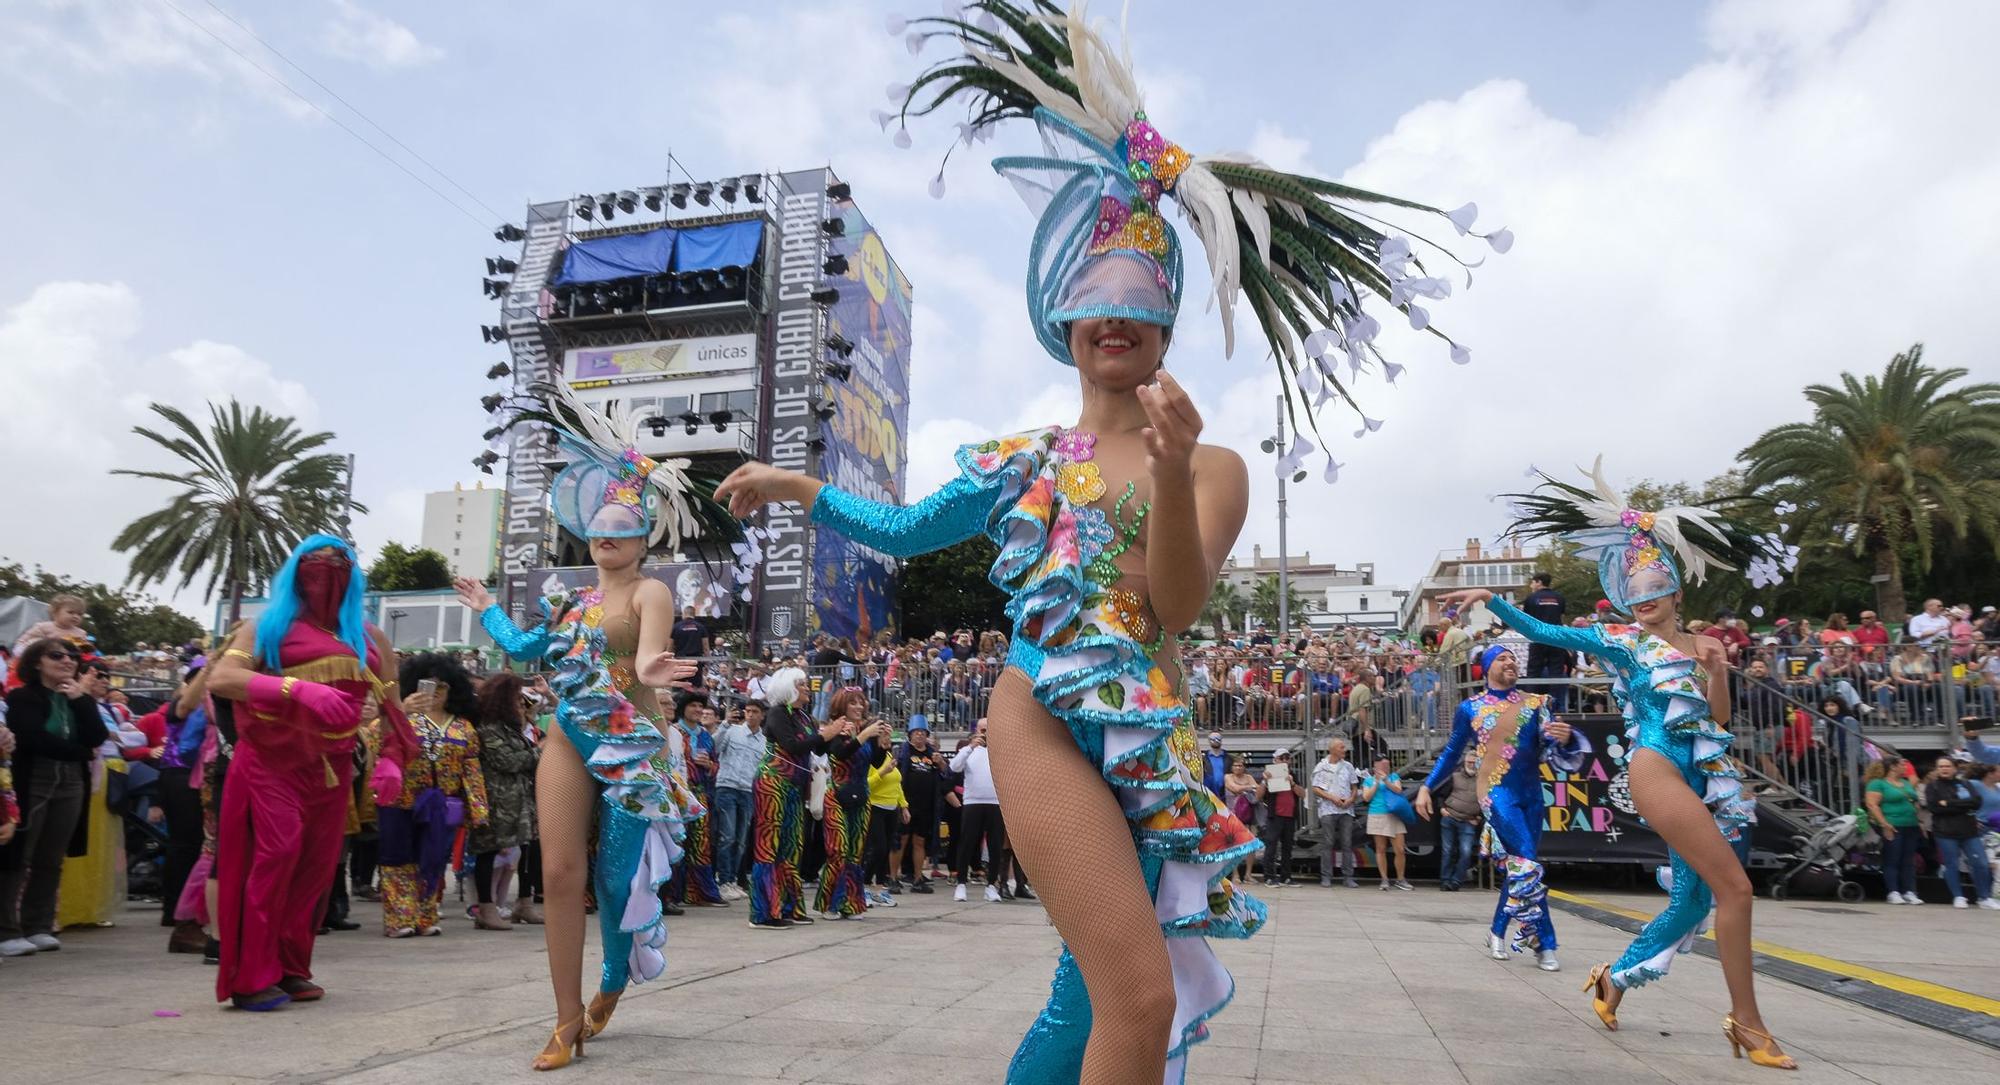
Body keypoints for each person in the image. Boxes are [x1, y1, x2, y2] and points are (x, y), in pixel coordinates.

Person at [1443, 458, 1798, 1068]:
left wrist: (1715, 670)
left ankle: (1614, 979)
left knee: (1692, 902)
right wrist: (1494, 601)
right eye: (1634, 596)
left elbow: (1717, 723)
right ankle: (1749, 1024)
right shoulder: (1623, 640)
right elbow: (1548, 634)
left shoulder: (1702, 644)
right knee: (1736, 890)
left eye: (1655, 593)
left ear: (1675, 593)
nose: (1644, 605)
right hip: (1656, 766)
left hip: (1705, 776)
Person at [468, 385, 730, 1069]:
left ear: (644, 536)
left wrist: (653, 666)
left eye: (622, 529)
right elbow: (527, 653)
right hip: (567, 734)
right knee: (558, 870)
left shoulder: (651, 591)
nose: (607, 538)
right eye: (599, 529)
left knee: (614, 883)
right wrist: (486, 610)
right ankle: (564, 1019)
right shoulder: (571, 600)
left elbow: (646, 652)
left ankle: (614, 973)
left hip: (633, 747)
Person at [204, 536, 421, 1011]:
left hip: (332, 767)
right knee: (274, 856)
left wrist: (391, 757)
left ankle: (290, 968)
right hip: (269, 762)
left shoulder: (369, 637)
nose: (327, 569)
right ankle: (251, 976)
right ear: (295, 570)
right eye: (314, 561)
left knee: (315, 870)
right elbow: (223, 680)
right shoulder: (265, 628)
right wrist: (296, 690)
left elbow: (391, 705)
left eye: (339, 560)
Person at [1415, 645, 1591, 970]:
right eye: (1502, 658)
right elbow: (1452, 752)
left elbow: (1551, 747)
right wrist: (1427, 786)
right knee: (1527, 861)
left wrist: (1566, 738)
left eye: (1513, 658)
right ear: (1485, 668)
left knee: (1522, 865)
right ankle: (1544, 943)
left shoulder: (1536, 704)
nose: (1510, 662)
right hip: (1496, 792)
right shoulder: (1471, 708)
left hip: (1532, 794)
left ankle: (1497, 930)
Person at [0, 638, 109, 957]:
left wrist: (81, 701)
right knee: (18, 855)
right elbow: (33, 738)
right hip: (34, 777)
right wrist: (80, 751)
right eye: (57, 655)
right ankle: (6, 930)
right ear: (37, 662)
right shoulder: (23, 696)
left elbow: (97, 737)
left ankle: (38, 925)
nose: (68, 661)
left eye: (73, 656)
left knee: (51, 856)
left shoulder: (78, 697)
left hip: (72, 780)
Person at [378, 654, 488, 938]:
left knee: (434, 860)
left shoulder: (464, 727)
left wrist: (477, 808)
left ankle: (425, 916)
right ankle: (400, 919)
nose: (435, 694)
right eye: (429, 686)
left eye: (443, 688)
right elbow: (376, 741)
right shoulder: (400, 718)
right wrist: (401, 711)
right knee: (397, 859)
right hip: (399, 802)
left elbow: (471, 769)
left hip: (443, 807)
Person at [747, 667, 839, 930]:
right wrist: (825, 734)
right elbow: (793, 746)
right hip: (773, 781)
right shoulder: (777, 712)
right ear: (789, 688)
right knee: (769, 845)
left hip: (795, 785)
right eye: (802, 684)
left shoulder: (805, 716)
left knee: (791, 846)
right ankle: (762, 913)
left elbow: (819, 747)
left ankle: (789, 906)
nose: (807, 688)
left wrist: (839, 733)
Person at [469, 672, 539, 931]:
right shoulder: (488, 729)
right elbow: (508, 761)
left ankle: (525, 902)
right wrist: (540, 751)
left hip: (519, 801)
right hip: (497, 801)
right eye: (516, 698)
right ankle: (485, 908)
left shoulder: (511, 728)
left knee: (529, 847)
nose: (521, 704)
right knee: (487, 851)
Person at [817, 690, 889, 919]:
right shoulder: (838, 727)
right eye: (853, 703)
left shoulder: (864, 730)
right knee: (838, 850)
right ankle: (830, 904)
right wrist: (865, 734)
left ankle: (850, 903)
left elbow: (875, 762)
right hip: (837, 796)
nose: (859, 706)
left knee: (855, 853)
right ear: (842, 706)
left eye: (861, 702)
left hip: (861, 797)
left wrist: (883, 744)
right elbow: (840, 753)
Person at [710, 699, 766, 900]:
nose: (750, 715)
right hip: (727, 786)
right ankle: (724, 880)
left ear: (762, 715)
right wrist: (725, 724)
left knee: (741, 840)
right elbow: (713, 748)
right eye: (748, 711)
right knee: (727, 836)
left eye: (755, 711)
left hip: (747, 790)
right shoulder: (732, 731)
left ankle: (733, 879)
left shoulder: (764, 741)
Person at [1924, 756, 1997, 909]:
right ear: (1937, 769)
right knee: (1952, 864)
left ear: (1954, 768)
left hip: (1969, 830)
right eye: (1941, 766)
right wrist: (1962, 805)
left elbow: (1976, 803)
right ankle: (1958, 896)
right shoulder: (1932, 787)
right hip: (1945, 831)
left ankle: (1984, 897)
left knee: (1981, 863)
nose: (1944, 769)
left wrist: (1949, 803)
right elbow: (1935, 808)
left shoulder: (1965, 784)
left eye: (1948, 766)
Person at [948, 721, 1009, 903]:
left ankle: (991, 886)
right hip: (973, 802)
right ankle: (960, 884)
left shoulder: (1000, 751)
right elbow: (954, 767)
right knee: (967, 843)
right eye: (983, 730)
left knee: (995, 846)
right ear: (977, 730)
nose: (986, 733)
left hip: (995, 803)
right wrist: (970, 747)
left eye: (989, 730)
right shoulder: (969, 750)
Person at [894, 719, 943, 894]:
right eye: (916, 732)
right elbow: (897, 778)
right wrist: (902, 805)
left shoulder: (932, 754)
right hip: (907, 804)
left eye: (923, 732)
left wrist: (940, 762)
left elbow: (947, 774)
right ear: (910, 735)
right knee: (901, 840)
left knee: (919, 842)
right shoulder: (903, 753)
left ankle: (917, 878)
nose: (920, 735)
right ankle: (893, 877)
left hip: (926, 806)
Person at [1865, 756, 1922, 905]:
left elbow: (1913, 800)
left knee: (1908, 859)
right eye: (1903, 765)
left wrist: (1919, 818)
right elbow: (1872, 805)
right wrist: (1884, 824)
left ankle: (1909, 891)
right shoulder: (1877, 783)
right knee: (1892, 858)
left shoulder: (1905, 783)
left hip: (1910, 823)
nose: (1906, 768)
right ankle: (1893, 891)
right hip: (1892, 824)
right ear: (1893, 767)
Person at [863, 724, 908, 908]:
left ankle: (880, 890)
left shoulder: (889, 755)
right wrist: (883, 772)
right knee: (878, 849)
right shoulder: (871, 758)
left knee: (887, 849)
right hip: (875, 806)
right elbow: (867, 784)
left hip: (892, 809)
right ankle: (864, 886)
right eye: (883, 737)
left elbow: (897, 784)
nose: (887, 740)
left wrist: (904, 806)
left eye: (889, 737)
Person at [1308, 738, 1359, 889]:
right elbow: (1315, 788)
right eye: (1342, 747)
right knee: (1328, 843)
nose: (1344, 750)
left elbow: (1354, 786)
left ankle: (1348, 877)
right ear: (1333, 750)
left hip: (1346, 810)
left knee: (1347, 843)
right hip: (1328, 810)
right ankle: (1326, 876)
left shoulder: (1348, 766)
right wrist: (1332, 798)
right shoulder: (1322, 767)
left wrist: (1351, 799)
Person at [1431, 751, 1482, 892]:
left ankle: (1456, 881)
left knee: (1465, 852)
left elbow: (1487, 802)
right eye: (1469, 762)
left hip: (1468, 820)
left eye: (1474, 762)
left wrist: (1479, 817)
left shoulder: (1483, 780)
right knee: (1447, 851)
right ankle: (1445, 880)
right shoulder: (1454, 777)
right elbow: (1441, 795)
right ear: (1464, 763)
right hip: (1450, 816)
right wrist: (1442, 809)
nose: (1471, 765)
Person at [1521, 574, 1572, 711]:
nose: (1531, 586)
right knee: (1556, 673)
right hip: (1556, 638)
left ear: (1539, 582)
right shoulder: (1559, 598)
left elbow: (1526, 619)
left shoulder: (1531, 598)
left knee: (1533, 673)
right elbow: (1561, 616)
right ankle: (1555, 706)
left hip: (1538, 638)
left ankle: (1531, 707)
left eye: (1532, 582)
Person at [1360, 756, 1411, 891]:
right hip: (1377, 814)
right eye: (1383, 766)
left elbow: (1398, 790)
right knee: (1380, 848)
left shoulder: (1393, 776)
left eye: (1387, 766)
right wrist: (1376, 782)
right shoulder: (1368, 780)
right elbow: (1366, 797)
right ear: (1376, 767)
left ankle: (1400, 879)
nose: (1386, 768)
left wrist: (1386, 780)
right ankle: (1384, 879)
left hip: (1394, 814)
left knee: (1400, 849)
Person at [1259, 749, 1300, 886]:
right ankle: (1269, 876)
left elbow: (1303, 794)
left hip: (1290, 816)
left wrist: (1293, 784)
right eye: (1281, 758)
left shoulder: (1292, 774)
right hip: (1275, 816)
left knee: (1287, 848)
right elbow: (1258, 796)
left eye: (1287, 758)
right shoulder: (1268, 775)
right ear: (1275, 760)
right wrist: (1264, 781)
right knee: (1271, 846)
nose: (1284, 761)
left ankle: (1286, 876)